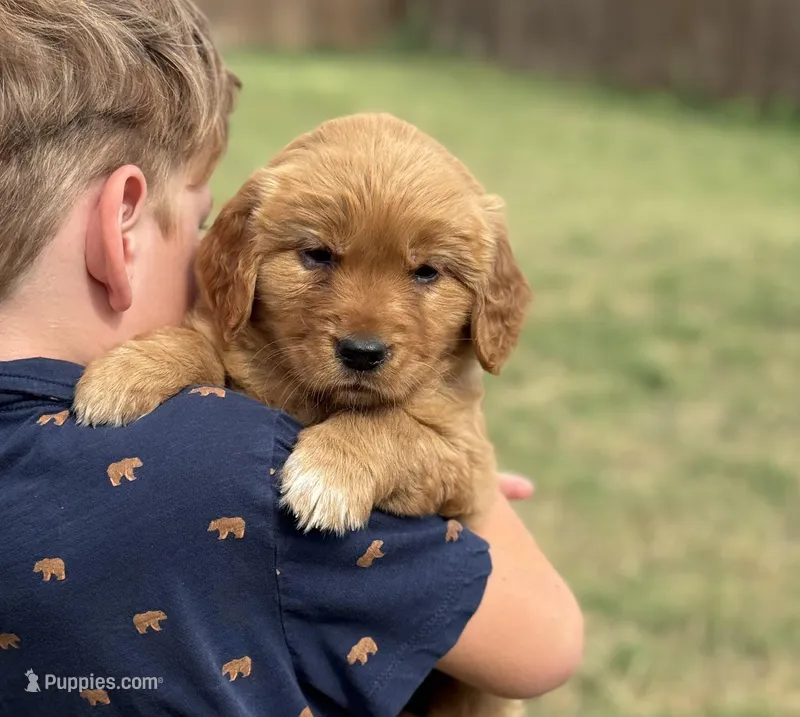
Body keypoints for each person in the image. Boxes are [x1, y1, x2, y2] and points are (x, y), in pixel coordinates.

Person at [0, 1, 583, 715]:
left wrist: (415, 456)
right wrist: (181, 351)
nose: (366, 330)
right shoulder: (241, 468)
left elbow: (457, 459)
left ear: (488, 297)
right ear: (238, 252)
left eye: (426, 273)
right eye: (316, 256)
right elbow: (550, 638)